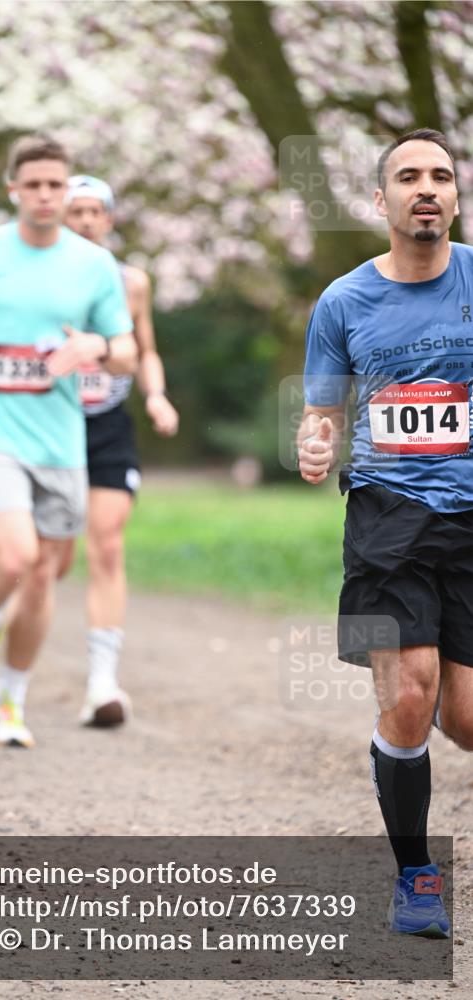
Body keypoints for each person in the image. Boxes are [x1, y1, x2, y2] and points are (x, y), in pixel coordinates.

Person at [298, 128, 472, 939]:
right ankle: (415, 876)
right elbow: (319, 411)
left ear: (454, 197)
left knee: (464, 719)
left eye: (441, 175)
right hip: (386, 515)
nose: (426, 188)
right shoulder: (341, 302)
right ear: (382, 201)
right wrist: (312, 442)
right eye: (408, 176)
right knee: (407, 696)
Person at [0, 136, 136, 747]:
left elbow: (127, 354)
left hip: (62, 445)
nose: (45, 195)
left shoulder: (93, 267)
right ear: (13, 190)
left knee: (43, 575)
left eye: (55, 185)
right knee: (15, 558)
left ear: (67, 192)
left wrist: (95, 347)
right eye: (33, 185)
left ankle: (9, 703)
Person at [59, 175, 179, 727]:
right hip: (50, 426)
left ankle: (102, 683)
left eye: (94, 212)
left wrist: (156, 396)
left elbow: (147, 349)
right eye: (74, 211)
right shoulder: (40, 280)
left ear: (109, 219)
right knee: (52, 560)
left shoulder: (133, 282)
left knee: (106, 547)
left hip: (109, 425)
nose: (85, 220)